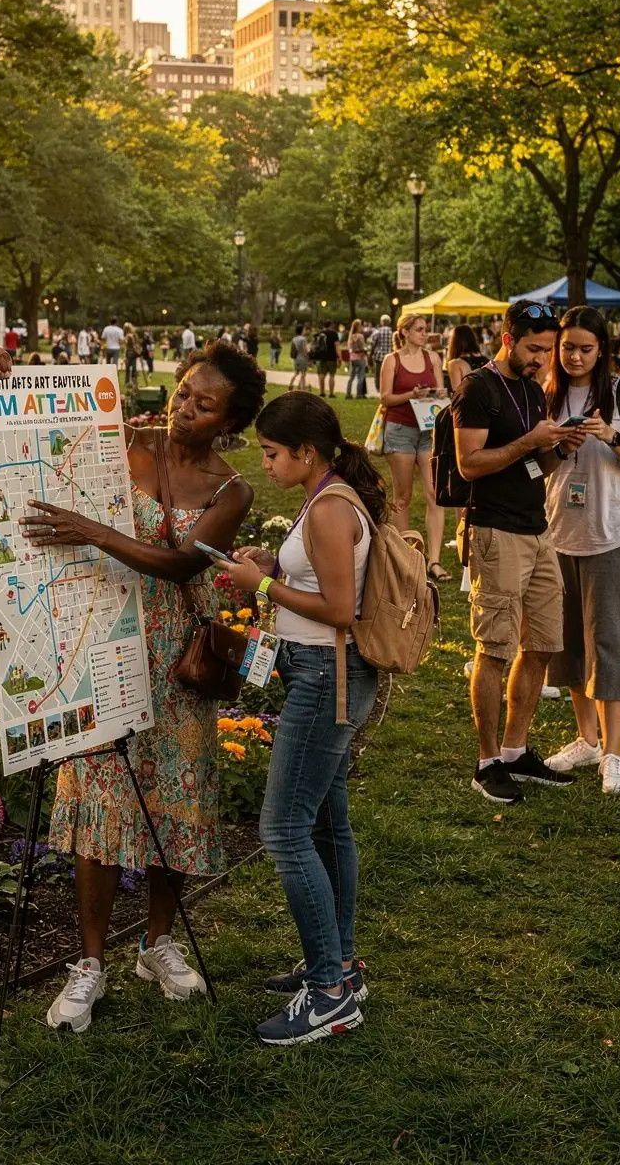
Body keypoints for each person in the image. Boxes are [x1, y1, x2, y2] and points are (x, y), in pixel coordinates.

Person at [0, 340, 266, 1032]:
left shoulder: (232, 488)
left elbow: (176, 564)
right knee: (98, 801)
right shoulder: (119, 439)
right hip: (100, 637)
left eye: (204, 404)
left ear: (230, 423)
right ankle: (88, 964)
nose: (183, 409)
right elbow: (33, 437)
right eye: (182, 392)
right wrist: (3, 384)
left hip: (176, 655)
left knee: (178, 799)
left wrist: (92, 530)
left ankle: (157, 943)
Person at [224, 393, 384, 1045]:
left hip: (326, 676)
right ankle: (340, 964)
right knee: (324, 822)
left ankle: (329, 995)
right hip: (322, 672)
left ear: (305, 452)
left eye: (270, 453)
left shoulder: (330, 507)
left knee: (284, 829)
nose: (264, 464)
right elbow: (320, 582)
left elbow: (341, 608)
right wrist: (269, 567)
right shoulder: (327, 496)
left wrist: (259, 586)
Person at [452, 300, 588, 804]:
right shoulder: (478, 388)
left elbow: (539, 464)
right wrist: (531, 439)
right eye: (534, 349)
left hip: (538, 530)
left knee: (544, 644)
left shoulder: (533, 390)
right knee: (495, 648)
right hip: (495, 531)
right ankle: (487, 763)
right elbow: (470, 464)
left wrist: (560, 448)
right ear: (507, 339)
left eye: (547, 351)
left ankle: (515, 751)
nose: (541, 360)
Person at [541, 307, 620, 794]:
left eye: (585, 348)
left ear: (602, 349)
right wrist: (561, 447)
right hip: (559, 531)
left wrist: (610, 435)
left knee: (607, 644)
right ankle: (586, 740)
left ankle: (613, 753)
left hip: (614, 532)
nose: (575, 356)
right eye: (567, 348)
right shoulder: (548, 392)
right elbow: (539, 463)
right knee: (567, 647)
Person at [379, 312, 450, 585]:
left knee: (434, 493)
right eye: (419, 329)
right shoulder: (392, 360)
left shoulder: (433, 359)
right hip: (400, 431)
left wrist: (436, 396)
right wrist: (412, 395)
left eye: (425, 329)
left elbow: (441, 393)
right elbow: (385, 397)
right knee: (403, 496)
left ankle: (434, 560)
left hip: (428, 431)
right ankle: (406, 556)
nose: (425, 333)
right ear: (405, 332)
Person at [446, 324, 488, 395]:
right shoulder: (487, 361)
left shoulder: (455, 364)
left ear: (454, 342)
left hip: (470, 404)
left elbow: (457, 394)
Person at [314, 320, 341, 398]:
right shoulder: (334, 334)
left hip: (321, 357)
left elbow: (314, 346)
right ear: (331, 325)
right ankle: (331, 393)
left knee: (322, 375)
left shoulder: (319, 334)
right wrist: (340, 357)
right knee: (332, 375)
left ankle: (322, 392)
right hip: (331, 357)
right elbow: (337, 346)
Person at [345, 319, 368, 399]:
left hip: (352, 358)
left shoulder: (351, 336)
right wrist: (365, 351)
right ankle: (359, 394)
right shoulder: (360, 336)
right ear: (358, 326)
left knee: (351, 377)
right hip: (360, 357)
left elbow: (350, 348)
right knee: (360, 377)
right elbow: (362, 347)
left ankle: (348, 393)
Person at [369, 314, 393, 393]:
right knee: (388, 373)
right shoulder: (392, 332)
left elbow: (373, 344)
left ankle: (378, 388)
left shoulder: (377, 332)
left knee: (378, 373)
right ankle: (387, 388)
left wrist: (370, 355)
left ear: (382, 322)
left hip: (379, 356)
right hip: (390, 356)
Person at [288, 323, 310, 391]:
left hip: (296, 359)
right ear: (302, 330)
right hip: (302, 359)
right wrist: (308, 357)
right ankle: (303, 390)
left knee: (296, 373)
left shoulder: (294, 338)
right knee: (303, 375)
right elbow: (304, 351)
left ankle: (290, 385)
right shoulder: (303, 339)